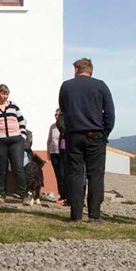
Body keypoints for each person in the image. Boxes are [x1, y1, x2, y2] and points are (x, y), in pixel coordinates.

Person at [58, 58, 115, 222]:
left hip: (74, 135)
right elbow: (110, 113)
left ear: (77, 69)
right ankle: (94, 215)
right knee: (95, 175)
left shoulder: (66, 86)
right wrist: (105, 132)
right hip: (95, 134)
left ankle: (76, 215)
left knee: (75, 174)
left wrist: (66, 130)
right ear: (91, 70)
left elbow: (63, 110)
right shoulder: (101, 85)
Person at [47, 109, 67, 203]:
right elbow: (49, 140)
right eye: (55, 114)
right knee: (58, 175)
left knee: (63, 174)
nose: (56, 116)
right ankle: (61, 195)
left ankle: (66, 195)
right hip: (54, 152)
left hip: (63, 153)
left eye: (58, 114)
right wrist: (48, 153)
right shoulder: (52, 126)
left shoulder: (64, 125)